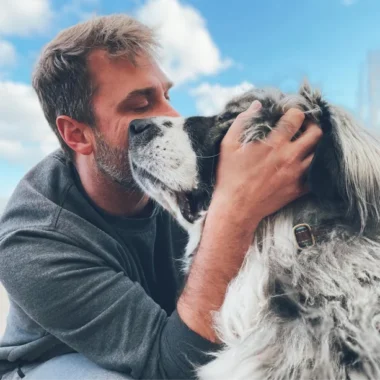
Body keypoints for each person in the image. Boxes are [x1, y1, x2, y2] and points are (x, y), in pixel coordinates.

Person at [0, 14, 322, 380]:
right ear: (77, 134)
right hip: (56, 362)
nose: (169, 116)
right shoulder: (31, 242)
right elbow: (169, 368)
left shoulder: (165, 177)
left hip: (172, 331)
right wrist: (234, 210)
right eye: (139, 106)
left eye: (165, 95)